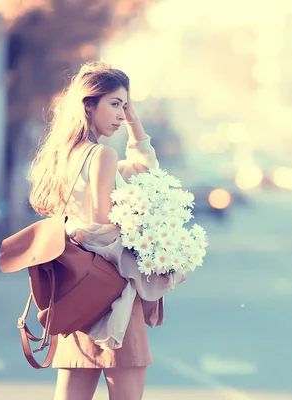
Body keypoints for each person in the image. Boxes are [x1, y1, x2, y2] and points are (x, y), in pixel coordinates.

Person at [27, 61, 176, 400]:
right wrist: (153, 246)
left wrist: (134, 120)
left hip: (75, 293)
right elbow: (102, 229)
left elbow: (142, 171)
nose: (122, 115)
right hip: (111, 297)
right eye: (115, 104)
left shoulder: (65, 156)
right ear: (88, 104)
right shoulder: (102, 155)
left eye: (125, 106)